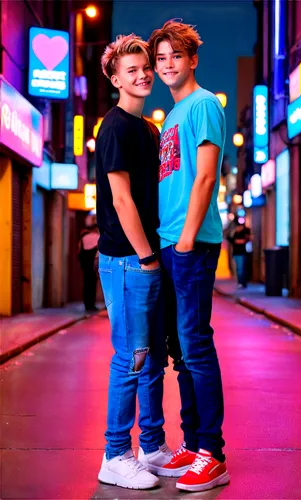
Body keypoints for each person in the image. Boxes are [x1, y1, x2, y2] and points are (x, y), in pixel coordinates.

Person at [148, 20, 229, 492]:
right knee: (180, 352)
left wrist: (184, 241)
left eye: (175, 56)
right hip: (171, 240)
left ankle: (212, 453)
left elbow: (203, 178)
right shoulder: (172, 115)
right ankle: (193, 442)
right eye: (160, 59)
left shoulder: (203, 105)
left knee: (196, 346)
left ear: (192, 59)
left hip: (191, 243)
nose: (167, 65)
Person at [95, 34, 172, 490]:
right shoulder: (116, 127)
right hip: (126, 260)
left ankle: (152, 445)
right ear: (114, 79)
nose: (143, 75)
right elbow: (122, 200)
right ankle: (115, 453)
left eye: (146, 67)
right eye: (132, 70)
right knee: (132, 356)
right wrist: (146, 257)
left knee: (154, 356)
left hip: (146, 257)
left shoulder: (148, 129)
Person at [78, 216, 99, 312]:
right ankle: (91, 305)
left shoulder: (83, 237)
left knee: (86, 284)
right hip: (93, 264)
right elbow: (98, 253)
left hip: (85, 263)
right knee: (92, 284)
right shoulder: (97, 237)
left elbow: (79, 251)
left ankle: (87, 304)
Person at [230, 218, 251, 288]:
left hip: (242, 253)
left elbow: (246, 240)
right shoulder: (234, 233)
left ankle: (242, 282)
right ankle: (240, 282)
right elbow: (231, 240)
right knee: (238, 269)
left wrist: (239, 241)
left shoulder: (245, 231)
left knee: (241, 269)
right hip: (235, 253)